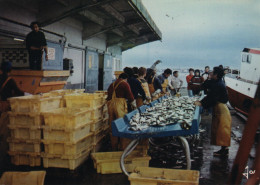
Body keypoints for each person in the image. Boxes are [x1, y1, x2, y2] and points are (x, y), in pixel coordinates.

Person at [194, 67, 231, 156]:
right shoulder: (217, 81)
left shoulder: (218, 84)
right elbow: (206, 85)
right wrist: (208, 79)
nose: (210, 74)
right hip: (218, 107)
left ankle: (224, 151)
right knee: (219, 129)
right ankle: (223, 150)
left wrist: (201, 103)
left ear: (216, 75)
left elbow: (212, 97)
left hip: (221, 108)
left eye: (212, 73)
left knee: (222, 129)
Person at [107, 73, 135, 151]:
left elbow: (108, 97)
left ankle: (114, 146)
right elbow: (130, 96)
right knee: (122, 125)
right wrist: (134, 104)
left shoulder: (111, 84)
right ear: (125, 78)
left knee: (112, 126)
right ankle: (123, 147)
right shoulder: (124, 84)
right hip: (119, 107)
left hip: (110, 106)